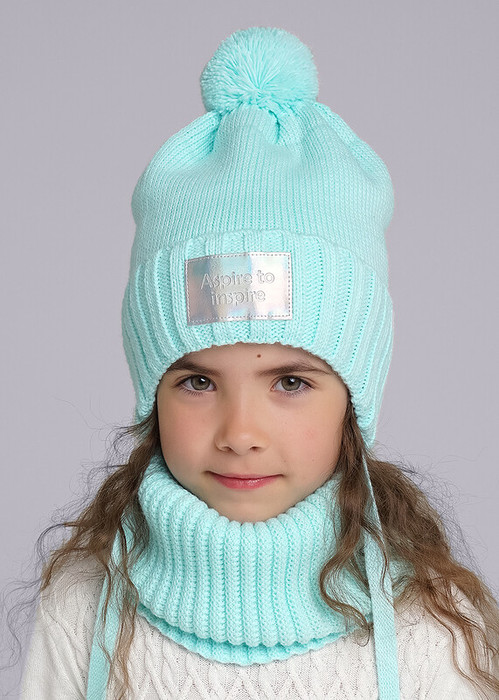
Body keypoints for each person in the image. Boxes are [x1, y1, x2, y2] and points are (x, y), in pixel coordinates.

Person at [17, 26, 498, 700]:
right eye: (197, 381)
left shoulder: (432, 627)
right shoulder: (84, 607)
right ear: (151, 392)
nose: (240, 432)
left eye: (291, 382)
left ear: (355, 398)